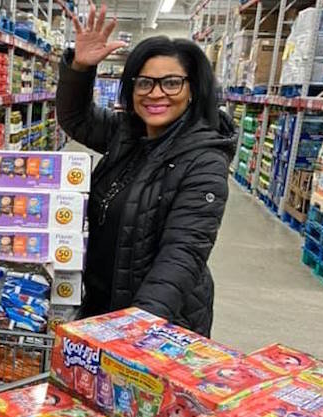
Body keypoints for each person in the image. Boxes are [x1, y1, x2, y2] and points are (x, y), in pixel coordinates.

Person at [56, 2, 237, 336]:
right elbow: (76, 119)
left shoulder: (205, 161)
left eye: (171, 83)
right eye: (144, 83)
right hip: (104, 306)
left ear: (193, 89)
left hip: (159, 323)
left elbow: (181, 257)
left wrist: (134, 330)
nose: (156, 94)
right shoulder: (128, 134)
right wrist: (79, 69)